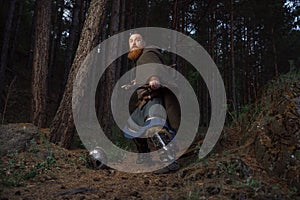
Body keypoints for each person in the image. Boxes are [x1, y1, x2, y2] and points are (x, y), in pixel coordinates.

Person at [123, 33, 181, 174]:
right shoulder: (140, 58)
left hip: (154, 99)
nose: (134, 43)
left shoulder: (149, 52)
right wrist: (136, 82)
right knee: (132, 127)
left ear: (144, 42)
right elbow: (147, 70)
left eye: (137, 40)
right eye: (131, 41)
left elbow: (153, 67)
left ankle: (170, 161)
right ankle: (145, 157)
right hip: (145, 101)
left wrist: (153, 79)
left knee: (156, 128)